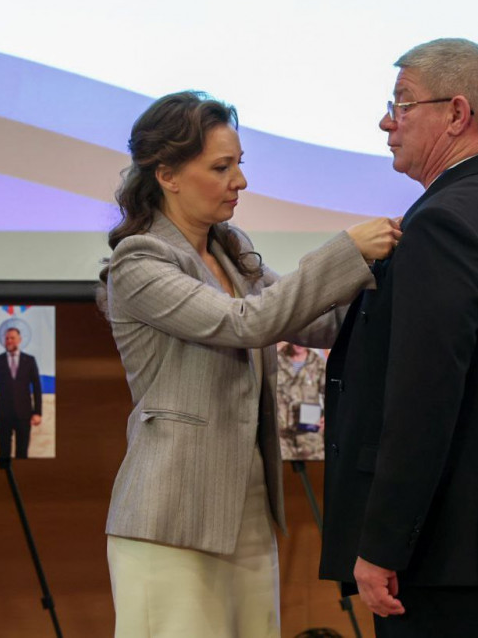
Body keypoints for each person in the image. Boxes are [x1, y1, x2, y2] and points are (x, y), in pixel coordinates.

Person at [99, 91, 399, 638]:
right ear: (167, 175)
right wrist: (346, 251)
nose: (240, 181)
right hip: (172, 518)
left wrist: (400, 273)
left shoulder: (230, 250)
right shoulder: (138, 260)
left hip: (247, 510)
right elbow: (247, 323)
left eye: (239, 164)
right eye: (221, 167)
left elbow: (321, 324)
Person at [319, 38, 478, 637]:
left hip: (443, 552)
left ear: (457, 114)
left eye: (403, 104)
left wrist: (382, 545)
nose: (387, 122)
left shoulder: (442, 224)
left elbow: (423, 400)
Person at [0, 328, 42, 459]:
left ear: (19, 339)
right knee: (4, 452)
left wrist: (38, 412)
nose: (9, 341)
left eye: (12, 338)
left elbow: (37, 387)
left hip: (24, 414)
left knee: (22, 452)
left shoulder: (29, 360)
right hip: (2, 415)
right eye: (7, 338)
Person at [275, 343, 327, 461]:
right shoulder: (276, 362)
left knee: (314, 471)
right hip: (282, 437)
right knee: (283, 472)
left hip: (310, 437)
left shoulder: (317, 363)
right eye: (296, 339)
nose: (300, 343)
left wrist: (327, 416)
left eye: (304, 339)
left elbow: (331, 393)